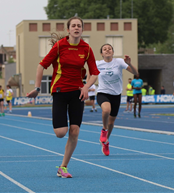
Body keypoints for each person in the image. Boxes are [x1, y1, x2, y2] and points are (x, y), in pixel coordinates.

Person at [27, 16, 99, 178]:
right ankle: (62, 157)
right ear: (68, 29)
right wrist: (37, 88)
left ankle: (63, 167)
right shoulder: (60, 46)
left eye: (79, 25)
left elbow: (94, 72)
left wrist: (86, 86)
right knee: (61, 133)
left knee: (74, 132)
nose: (76, 28)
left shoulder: (86, 49)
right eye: (73, 25)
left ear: (82, 29)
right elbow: (41, 65)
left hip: (77, 92)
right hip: (59, 91)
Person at [96, 44, 138, 156]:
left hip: (116, 95)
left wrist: (129, 64)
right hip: (102, 93)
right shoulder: (97, 64)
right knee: (106, 110)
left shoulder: (119, 62)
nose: (107, 50)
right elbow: (90, 75)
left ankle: (105, 141)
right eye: (104, 49)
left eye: (109, 49)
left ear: (113, 52)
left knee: (112, 122)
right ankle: (104, 130)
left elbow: (135, 72)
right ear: (101, 53)